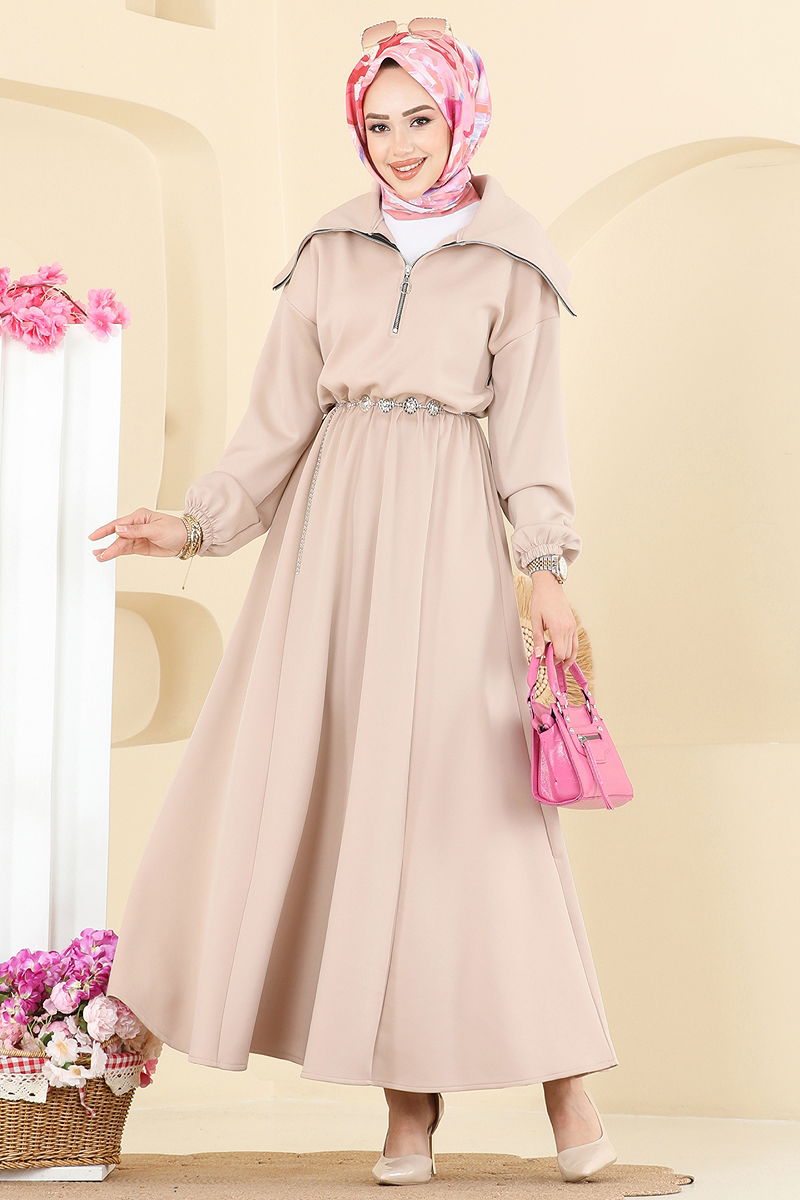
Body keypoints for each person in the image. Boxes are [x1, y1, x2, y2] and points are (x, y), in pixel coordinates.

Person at [91, 17, 619, 1187]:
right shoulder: (327, 252)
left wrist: (545, 567)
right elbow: (274, 423)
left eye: (419, 119)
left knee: (467, 812)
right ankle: (407, 1111)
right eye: (377, 125)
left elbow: (530, 435)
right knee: (355, 803)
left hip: (449, 541)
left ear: (461, 117)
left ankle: (566, 1083)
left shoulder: (513, 263)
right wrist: (196, 523)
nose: (399, 145)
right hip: (325, 553)